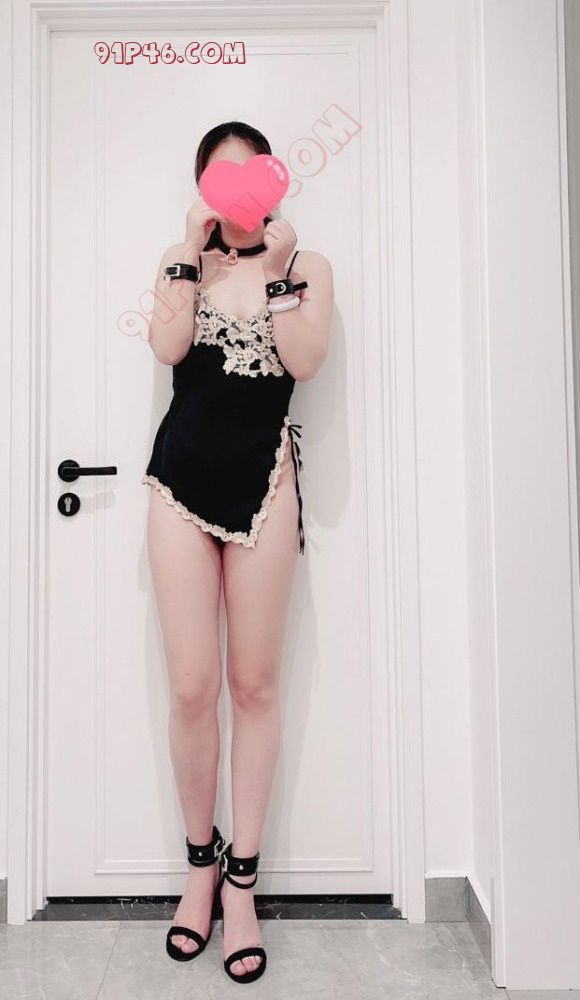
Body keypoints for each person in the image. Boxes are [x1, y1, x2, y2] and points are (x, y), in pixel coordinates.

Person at [142, 120, 334, 983]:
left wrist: (283, 274)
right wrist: (189, 253)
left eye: (250, 175)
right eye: (219, 180)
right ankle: (200, 867)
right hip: (179, 484)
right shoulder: (182, 261)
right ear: (202, 189)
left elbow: (306, 360)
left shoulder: (308, 265)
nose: (238, 193)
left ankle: (243, 884)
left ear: (273, 180)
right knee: (192, 687)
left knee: (254, 686)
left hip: (266, 482)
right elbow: (167, 347)